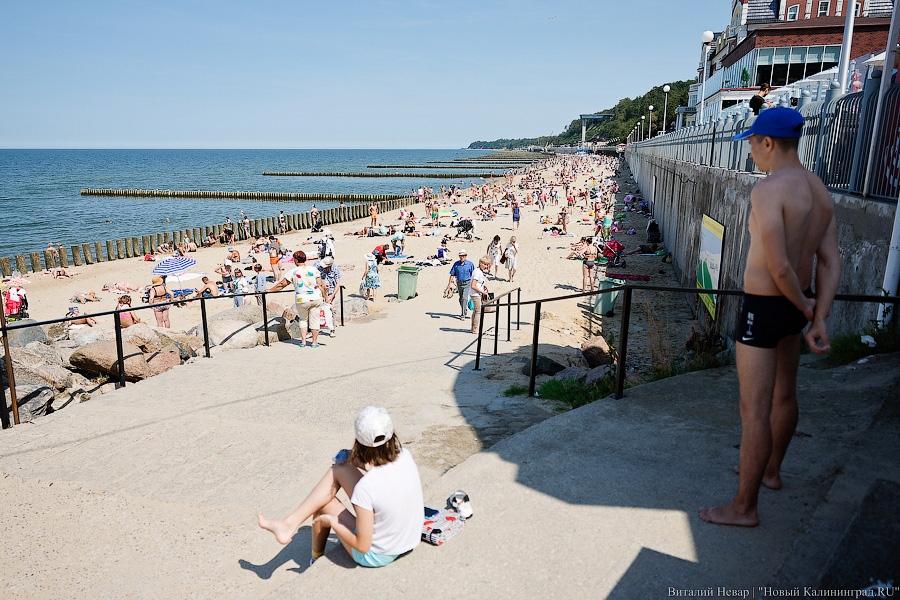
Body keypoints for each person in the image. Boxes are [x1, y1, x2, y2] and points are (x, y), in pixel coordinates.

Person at [699, 107, 841, 527]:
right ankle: (772, 471)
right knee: (785, 395)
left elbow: (779, 267)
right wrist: (817, 315)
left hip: (765, 307)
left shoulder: (768, 191)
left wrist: (803, 306)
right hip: (799, 307)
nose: (749, 152)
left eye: (751, 142)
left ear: (768, 142)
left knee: (754, 409)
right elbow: (830, 261)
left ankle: (743, 507)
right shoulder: (818, 191)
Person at [257, 406, 423, 568]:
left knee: (322, 504)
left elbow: (363, 546)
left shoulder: (366, 488)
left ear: (358, 442)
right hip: (408, 539)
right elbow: (380, 474)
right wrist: (352, 458)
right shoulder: (405, 455)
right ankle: (288, 524)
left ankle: (314, 559)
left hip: (377, 555)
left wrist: (334, 522)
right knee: (340, 468)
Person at [267, 250, 325, 347]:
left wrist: (271, 290)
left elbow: (282, 284)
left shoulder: (293, 272)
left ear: (296, 260)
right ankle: (314, 342)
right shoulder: (313, 269)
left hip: (302, 299)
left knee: (303, 320)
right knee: (315, 320)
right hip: (315, 297)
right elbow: (320, 285)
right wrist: (324, 296)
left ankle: (303, 341)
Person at [447, 249, 475, 320]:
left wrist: (474, 284)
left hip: (467, 283)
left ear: (466, 256)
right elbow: (452, 274)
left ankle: (462, 315)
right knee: (461, 299)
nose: (462, 257)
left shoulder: (470, 264)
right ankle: (464, 309)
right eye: (461, 256)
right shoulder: (456, 264)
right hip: (459, 283)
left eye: (463, 256)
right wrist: (449, 284)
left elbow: (473, 275)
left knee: (464, 298)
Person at [317, 256, 341, 337]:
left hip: (331, 292)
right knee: (317, 310)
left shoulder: (335, 268)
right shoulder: (317, 265)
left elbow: (337, 283)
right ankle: (314, 329)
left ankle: (332, 329)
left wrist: (332, 295)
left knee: (332, 310)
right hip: (319, 291)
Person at [469, 256, 491, 334]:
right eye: (485, 264)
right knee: (478, 311)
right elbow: (473, 285)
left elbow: (477, 283)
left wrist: (483, 285)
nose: (486, 266)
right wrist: (482, 292)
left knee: (475, 311)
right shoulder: (477, 272)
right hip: (475, 294)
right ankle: (475, 329)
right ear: (480, 263)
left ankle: (473, 328)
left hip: (475, 293)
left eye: (487, 265)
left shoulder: (478, 271)